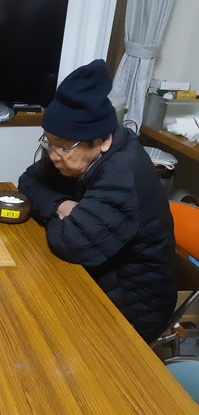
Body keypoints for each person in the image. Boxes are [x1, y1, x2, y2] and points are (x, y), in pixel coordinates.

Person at [18, 59, 176, 343]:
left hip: (132, 308)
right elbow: (28, 182)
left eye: (63, 147)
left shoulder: (122, 172)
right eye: (48, 142)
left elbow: (72, 242)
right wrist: (62, 206)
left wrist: (66, 221)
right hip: (96, 275)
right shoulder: (72, 149)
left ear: (103, 140)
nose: (53, 155)